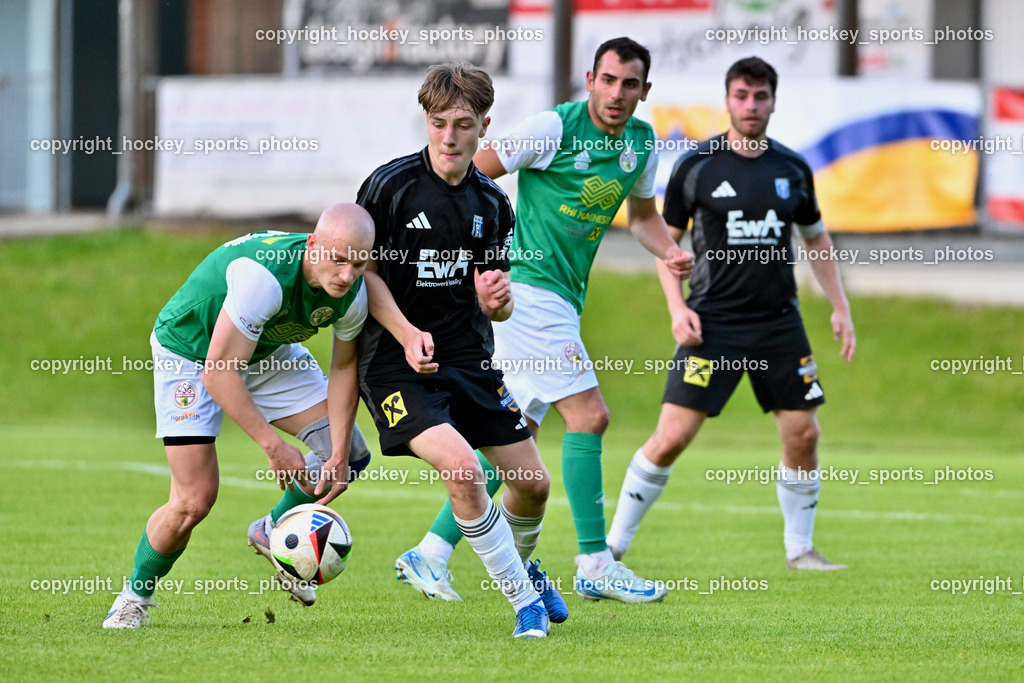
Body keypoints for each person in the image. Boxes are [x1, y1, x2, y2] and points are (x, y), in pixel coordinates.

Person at [395, 37, 694, 605]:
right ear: (590, 80)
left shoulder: (640, 143)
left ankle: (430, 552)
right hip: (527, 290)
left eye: (629, 84)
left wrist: (670, 251)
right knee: (590, 416)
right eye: (608, 80)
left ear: (644, 90)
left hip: (561, 299)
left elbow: (643, 218)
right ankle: (595, 562)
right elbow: (469, 173)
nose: (617, 93)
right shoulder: (554, 128)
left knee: (512, 438)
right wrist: (473, 256)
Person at [605, 56, 856, 571]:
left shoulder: (792, 169)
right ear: (727, 100)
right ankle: (611, 548)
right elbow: (667, 247)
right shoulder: (697, 167)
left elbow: (816, 238)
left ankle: (800, 549)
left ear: (773, 102)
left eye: (760, 96)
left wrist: (840, 306)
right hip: (712, 324)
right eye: (741, 95)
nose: (751, 105)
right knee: (671, 438)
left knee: (804, 434)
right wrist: (677, 308)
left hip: (779, 324)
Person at [354, 62, 565, 638]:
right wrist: (405, 333)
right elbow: (362, 275)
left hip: (469, 358)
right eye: (439, 123)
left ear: (484, 127)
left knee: (533, 484)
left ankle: (523, 567)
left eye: (464, 125)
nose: (449, 137)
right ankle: (523, 603)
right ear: (426, 121)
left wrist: (498, 301)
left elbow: (497, 304)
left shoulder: (493, 203)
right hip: (396, 363)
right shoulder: (389, 187)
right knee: (464, 469)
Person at [103, 204, 377, 629]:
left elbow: (344, 367)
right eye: (337, 260)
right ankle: (133, 597)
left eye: (357, 264)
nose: (346, 275)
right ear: (312, 244)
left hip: (266, 351)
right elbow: (218, 372)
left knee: (350, 454)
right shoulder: (263, 279)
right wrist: (274, 446)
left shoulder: (353, 294)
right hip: (190, 352)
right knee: (193, 501)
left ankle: (272, 529)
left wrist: (338, 451)